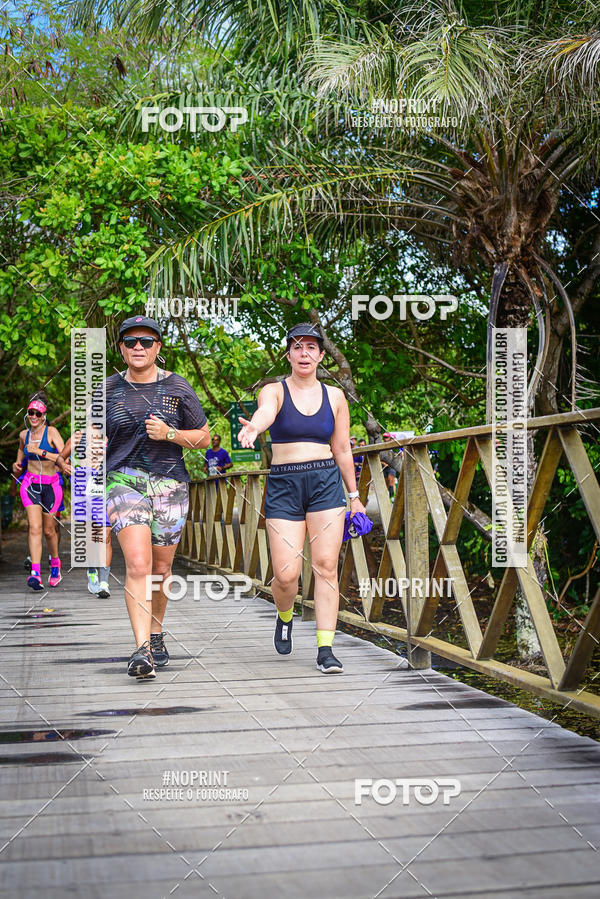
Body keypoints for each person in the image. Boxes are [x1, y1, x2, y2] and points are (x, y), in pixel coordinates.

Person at [238, 322, 366, 674]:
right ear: (289, 354)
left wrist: (354, 495)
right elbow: (266, 412)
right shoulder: (274, 390)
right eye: (297, 347)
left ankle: (326, 649)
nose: (304, 353)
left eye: (311, 347)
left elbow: (342, 449)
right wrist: (255, 427)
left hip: (325, 483)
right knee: (286, 575)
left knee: (326, 566)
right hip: (284, 484)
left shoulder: (335, 397)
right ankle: (285, 615)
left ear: (321, 355)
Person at [103, 316, 210, 679]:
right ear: (121, 349)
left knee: (161, 569)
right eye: (130, 341)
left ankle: (155, 631)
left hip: (170, 485)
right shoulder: (106, 389)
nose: (138, 347)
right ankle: (142, 650)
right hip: (123, 481)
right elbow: (91, 437)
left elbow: (204, 437)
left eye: (146, 342)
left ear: (158, 348)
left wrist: (170, 434)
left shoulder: (177, 386)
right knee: (138, 564)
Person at [12, 392, 65, 590]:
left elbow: (64, 458)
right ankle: (35, 574)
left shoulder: (52, 432)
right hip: (30, 485)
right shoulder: (23, 435)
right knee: (34, 528)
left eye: (38, 414)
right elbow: (20, 452)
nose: (34, 417)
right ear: (27, 414)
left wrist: (40, 452)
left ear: (44, 416)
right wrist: (17, 464)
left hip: (51, 486)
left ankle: (55, 565)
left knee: (49, 531)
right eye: (31, 413)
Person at [58, 435, 113, 598]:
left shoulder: (113, 432)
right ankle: (92, 571)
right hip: (83, 485)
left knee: (105, 533)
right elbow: (61, 459)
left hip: (105, 484)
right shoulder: (78, 436)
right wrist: (65, 466)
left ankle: (104, 583)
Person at [381, 432, 397, 499]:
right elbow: (379, 458)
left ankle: (393, 497)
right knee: (387, 484)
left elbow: (397, 455)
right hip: (384, 467)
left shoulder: (393, 446)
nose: (385, 439)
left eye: (387, 437)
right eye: (384, 437)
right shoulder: (381, 447)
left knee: (391, 482)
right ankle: (390, 498)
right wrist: (383, 463)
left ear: (389, 438)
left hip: (391, 467)